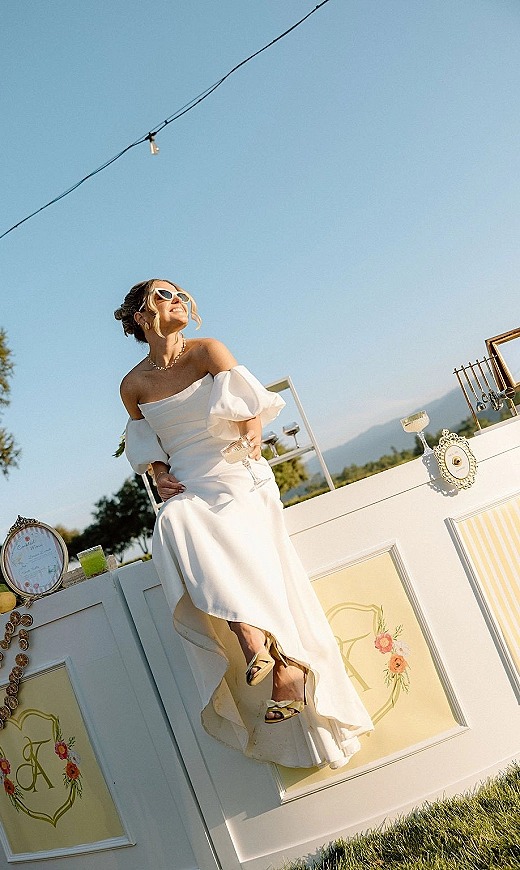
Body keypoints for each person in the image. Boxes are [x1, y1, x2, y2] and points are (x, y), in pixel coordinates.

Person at [115, 279, 373, 769]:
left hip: (236, 468)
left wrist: (252, 436)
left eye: (180, 294)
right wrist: (160, 473)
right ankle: (262, 649)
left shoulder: (208, 351)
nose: (179, 301)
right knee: (173, 520)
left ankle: (271, 655)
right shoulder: (133, 386)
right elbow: (149, 449)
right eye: (165, 296)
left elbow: (250, 408)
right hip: (189, 483)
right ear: (141, 317)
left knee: (220, 532)